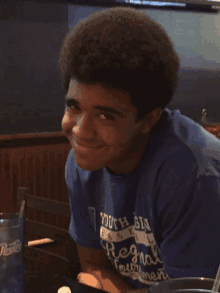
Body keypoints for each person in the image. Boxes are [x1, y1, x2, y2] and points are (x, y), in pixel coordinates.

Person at [59, 6, 220, 293]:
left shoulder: (193, 173)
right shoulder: (82, 162)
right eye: (74, 107)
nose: (80, 131)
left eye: (105, 115)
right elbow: (93, 268)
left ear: (148, 119)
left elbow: (192, 290)